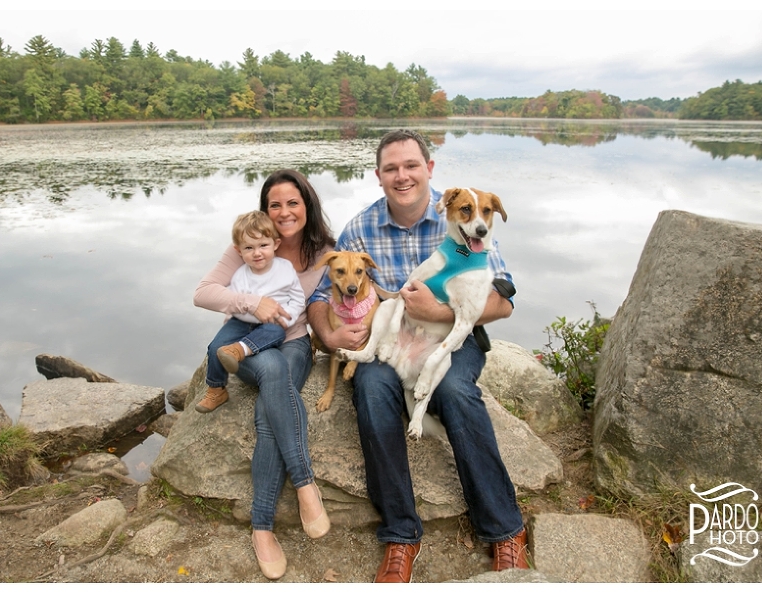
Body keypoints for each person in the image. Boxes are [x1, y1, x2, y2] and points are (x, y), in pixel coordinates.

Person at [307, 130, 528, 582]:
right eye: (391, 168)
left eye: (411, 165)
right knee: (370, 389)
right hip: (393, 341)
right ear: (379, 176)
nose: (401, 175)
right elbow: (318, 293)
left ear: (429, 169)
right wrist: (330, 335)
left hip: (452, 338)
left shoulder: (464, 217)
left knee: (455, 392)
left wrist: (441, 310)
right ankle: (401, 535)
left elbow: (503, 300)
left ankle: (504, 529)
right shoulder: (361, 228)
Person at [194, 169, 336, 580]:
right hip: (247, 344)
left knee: (271, 405)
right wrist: (252, 301)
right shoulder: (246, 245)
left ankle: (263, 527)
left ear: (307, 205)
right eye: (275, 204)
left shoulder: (323, 250)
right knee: (272, 371)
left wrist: (331, 336)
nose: (285, 212)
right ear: (265, 211)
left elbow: (323, 302)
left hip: (293, 340)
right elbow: (203, 292)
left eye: (293, 202)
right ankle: (303, 486)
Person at [195, 210, 305, 413]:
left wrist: (287, 317)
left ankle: (239, 350)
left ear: (276, 244)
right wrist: (246, 312)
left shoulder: (284, 269)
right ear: (239, 251)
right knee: (216, 346)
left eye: (263, 245)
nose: (257, 253)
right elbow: (235, 303)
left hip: (271, 322)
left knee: (276, 332)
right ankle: (216, 389)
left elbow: (298, 298)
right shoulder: (240, 275)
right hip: (241, 322)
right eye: (249, 248)